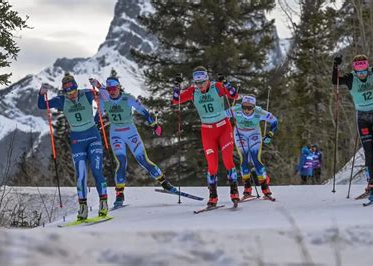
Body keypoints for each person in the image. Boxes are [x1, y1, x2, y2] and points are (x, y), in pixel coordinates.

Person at [89, 74, 177, 208]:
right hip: (116, 134)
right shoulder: (104, 99)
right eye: (109, 89)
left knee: (143, 160)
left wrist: (154, 125)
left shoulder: (127, 98)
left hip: (130, 132)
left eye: (114, 88)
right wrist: (95, 127)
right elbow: (98, 117)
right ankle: (119, 195)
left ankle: (165, 183)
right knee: (121, 162)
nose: (112, 91)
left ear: (119, 87)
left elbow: (143, 111)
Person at [38, 72, 108, 220]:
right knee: (81, 174)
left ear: (77, 88)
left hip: (93, 136)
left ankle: (103, 203)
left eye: (73, 91)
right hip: (77, 140)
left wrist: (98, 86)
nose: (71, 94)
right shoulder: (61, 100)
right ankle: (83, 208)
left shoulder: (87, 94)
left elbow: (106, 96)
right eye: (67, 92)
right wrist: (41, 93)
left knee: (96, 170)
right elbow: (42, 105)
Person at [172, 66, 239, 207]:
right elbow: (175, 100)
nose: (200, 86)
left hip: (224, 128)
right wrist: (176, 86)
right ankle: (213, 196)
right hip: (207, 131)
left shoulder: (217, 87)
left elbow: (234, 95)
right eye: (197, 83)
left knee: (228, 160)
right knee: (212, 166)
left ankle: (234, 192)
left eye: (202, 82)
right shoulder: (193, 91)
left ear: (207, 79)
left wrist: (226, 83)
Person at [332, 52, 373, 202]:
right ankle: (372, 186)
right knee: (368, 153)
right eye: (359, 71)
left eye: (364, 70)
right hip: (363, 119)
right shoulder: (351, 78)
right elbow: (335, 81)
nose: (361, 74)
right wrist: (336, 66)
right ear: (355, 70)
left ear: (367, 68)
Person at [225, 95, 278, 200]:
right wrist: (228, 124)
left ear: (254, 107)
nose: (246, 110)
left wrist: (270, 133)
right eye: (244, 107)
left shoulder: (260, 112)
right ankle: (247, 189)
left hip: (254, 134)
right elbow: (221, 117)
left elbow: (274, 121)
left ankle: (265, 189)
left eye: (249, 108)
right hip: (240, 134)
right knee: (244, 160)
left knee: (256, 160)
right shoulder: (235, 110)